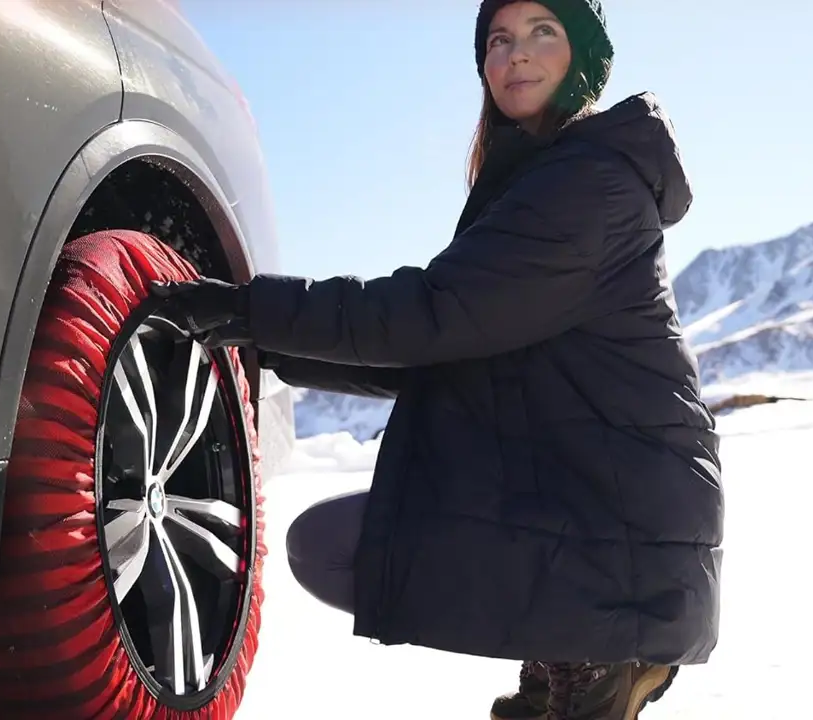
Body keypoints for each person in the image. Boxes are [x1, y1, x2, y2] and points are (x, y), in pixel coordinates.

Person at [151, 1, 724, 718]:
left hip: (626, 518)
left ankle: (602, 646)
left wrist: (247, 309)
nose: (516, 54)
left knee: (336, 547)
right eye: (499, 40)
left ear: (583, 56)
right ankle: (574, 652)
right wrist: (263, 342)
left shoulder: (589, 186)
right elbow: (443, 350)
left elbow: (430, 315)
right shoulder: (543, 180)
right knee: (329, 544)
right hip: (609, 506)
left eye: (543, 32)